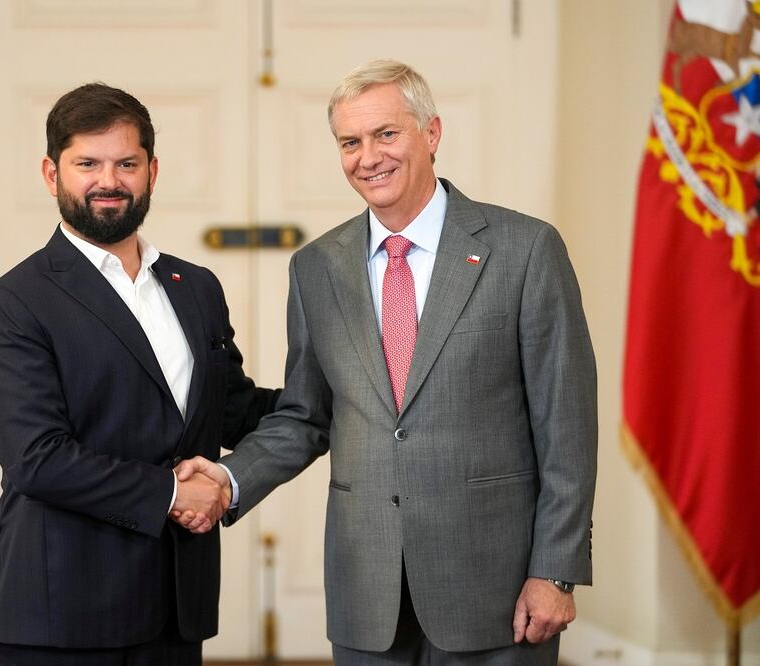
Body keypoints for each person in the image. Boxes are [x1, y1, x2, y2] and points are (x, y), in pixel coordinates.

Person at [174, 59, 597, 665]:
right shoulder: (317, 268)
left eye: (386, 134)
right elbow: (305, 415)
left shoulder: (525, 250)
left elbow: (568, 425)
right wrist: (228, 478)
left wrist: (555, 572)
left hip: (495, 588)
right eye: (350, 142)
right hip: (365, 592)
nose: (367, 156)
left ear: (431, 133)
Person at [0, 82, 279, 665]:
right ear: (51, 174)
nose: (109, 180)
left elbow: (231, 409)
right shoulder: (14, 301)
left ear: (152, 171)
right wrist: (176, 493)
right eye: (87, 163)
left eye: (126, 163)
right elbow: (37, 458)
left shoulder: (197, 288)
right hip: (60, 610)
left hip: (174, 604)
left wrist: (348, 394)